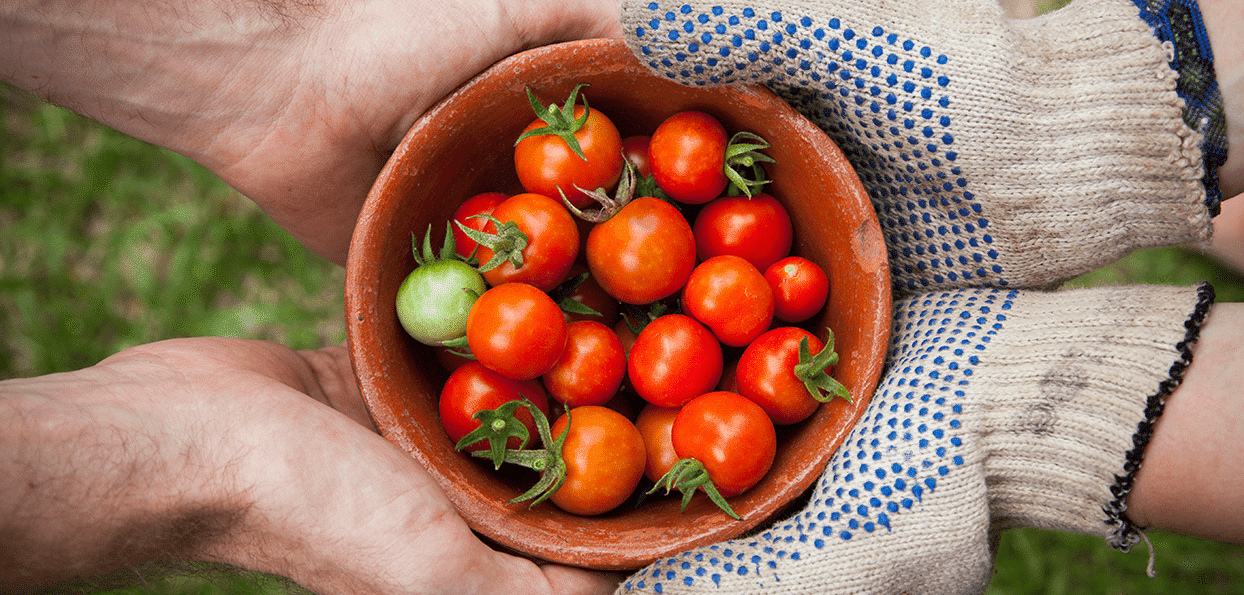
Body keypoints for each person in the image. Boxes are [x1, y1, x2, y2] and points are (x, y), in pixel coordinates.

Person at [0, 0, 1240, 593]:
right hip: (695, 367)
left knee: (1134, 157)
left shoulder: (583, 285)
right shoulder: (578, 330)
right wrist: (198, 462)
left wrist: (259, 71)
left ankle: (1164, 154)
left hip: (703, 350)